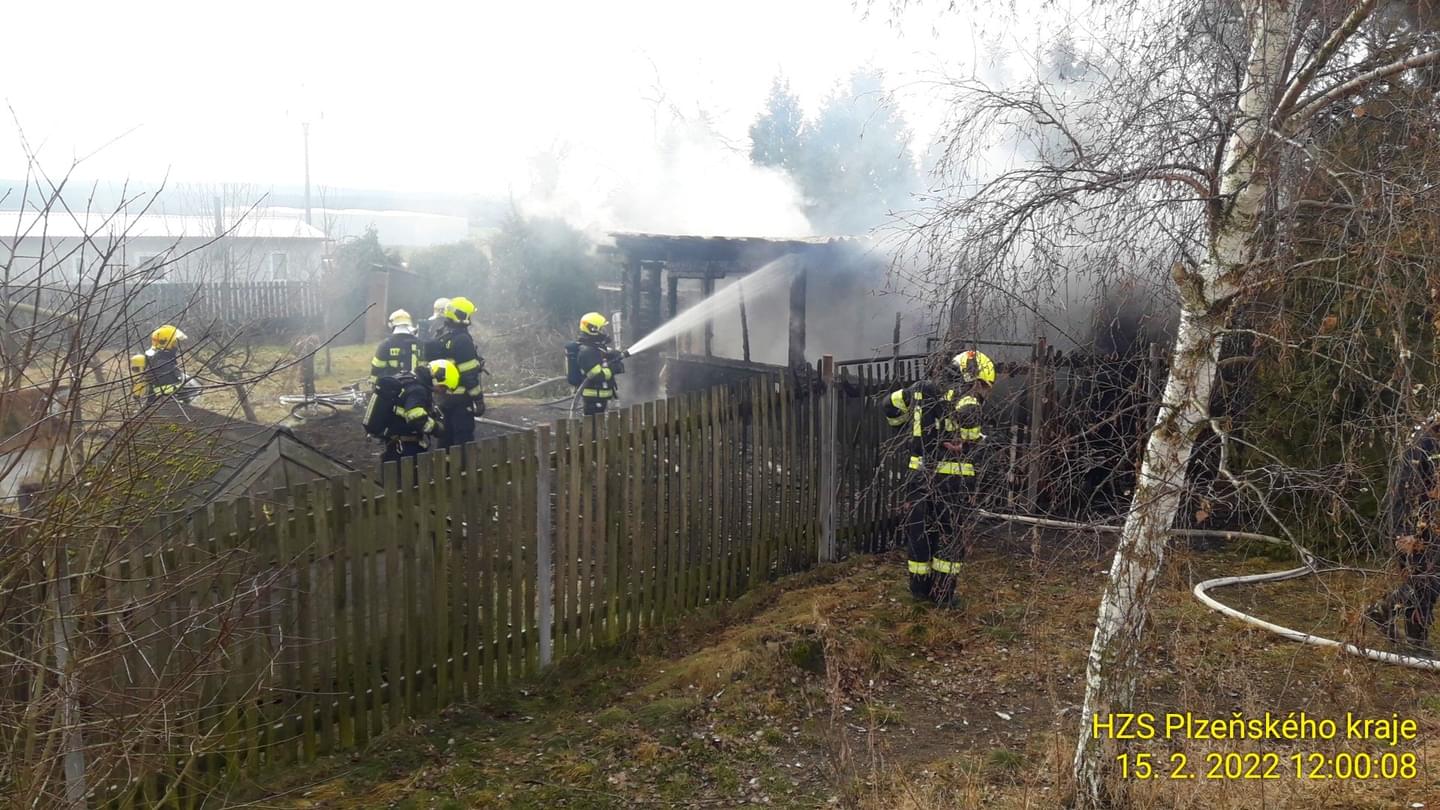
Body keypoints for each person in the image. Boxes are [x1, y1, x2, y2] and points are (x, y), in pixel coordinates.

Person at [881, 350, 995, 603]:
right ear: (974, 378)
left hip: (918, 477)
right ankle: (943, 597)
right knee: (950, 537)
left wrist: (908, 427)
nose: (984, 393)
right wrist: (974, 440)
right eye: (984, 386)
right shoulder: (965, 396)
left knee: (920, 535)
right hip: (951, 482)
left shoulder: (920, 389)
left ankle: (919, 592)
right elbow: (969, 425)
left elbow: (889, 406)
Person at [1366, 415, 1440, 649]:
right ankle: (1415, 641)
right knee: (1424, 582)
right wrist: (1404, 532)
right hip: (1415, 526)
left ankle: (1384, 612)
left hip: (1432, 525)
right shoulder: (1423, 443)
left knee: (1429, 582)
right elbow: (1404, 490)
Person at [431, 296, 484, 447]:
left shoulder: (441, 335)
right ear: (462, 315)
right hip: (460, 399)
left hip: (442, 397)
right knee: (463, 439)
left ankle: (445, 462)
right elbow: (468, 375)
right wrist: (478, 399)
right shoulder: (462, 339)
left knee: (445, 437)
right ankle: (461, 462)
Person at [380, 360, 454, 464]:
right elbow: (415, 416)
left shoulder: (411, 381)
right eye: (444, 387)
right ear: (438, 378)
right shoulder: (418, 390)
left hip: (395, 442)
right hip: (405, 446)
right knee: (410, 473)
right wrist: (436, 428)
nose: (443, 392)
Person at [576, 311, 625, 416]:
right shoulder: (586, 351)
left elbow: (604, 358)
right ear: (592, 329)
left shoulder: (596, 348)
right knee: (593, 423)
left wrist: (614, 356)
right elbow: (596, 375)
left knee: (599, 423)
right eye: (601, 329)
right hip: (593, 398)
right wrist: (613, 368)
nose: (604, 332)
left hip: (600, 396)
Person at [369, 309, 421, 386]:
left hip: (393, 389)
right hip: (418, 387)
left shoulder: (386, 345)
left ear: (391, 325)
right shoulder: (420, 343)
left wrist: (374, 384)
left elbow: (376, 370)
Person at [144, 325, 188, 403]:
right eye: (175, 342)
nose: (176, 346)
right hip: (163, 404)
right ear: (167, 343)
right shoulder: (162, 363)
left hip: (160, 403)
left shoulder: (161, 358)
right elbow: (168, 388)